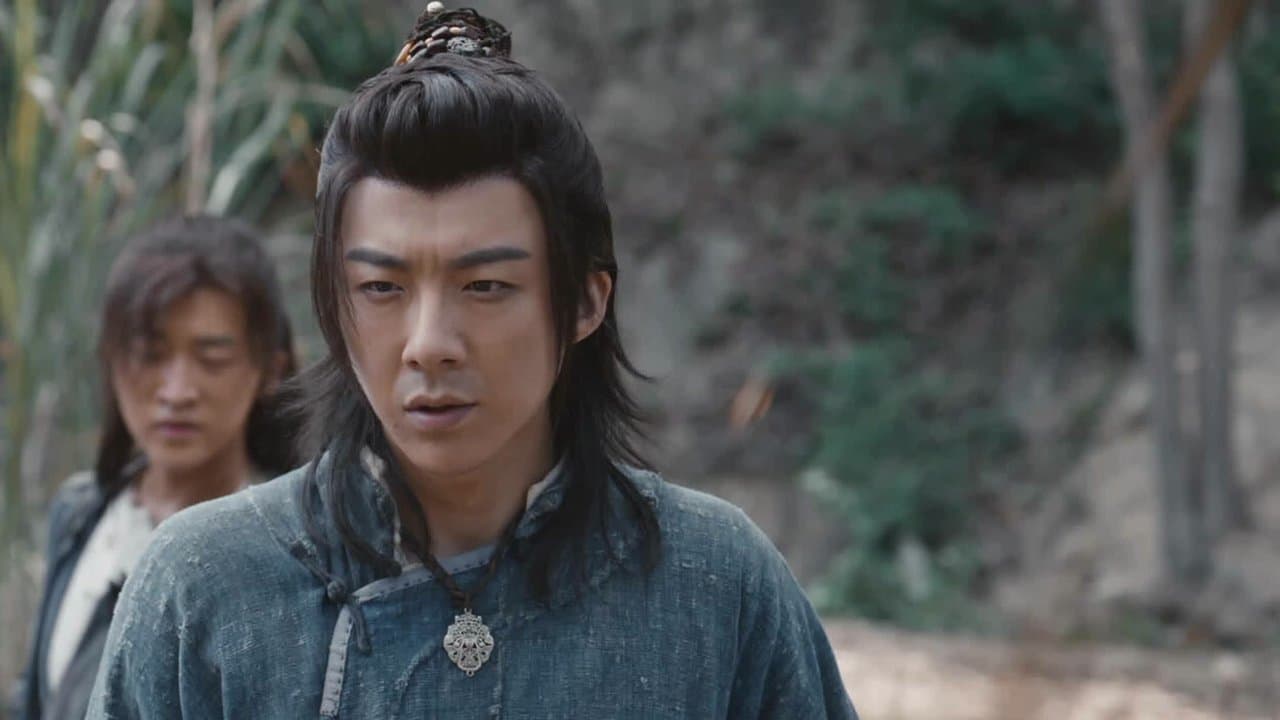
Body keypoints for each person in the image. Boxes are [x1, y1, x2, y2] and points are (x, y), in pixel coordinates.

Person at [87, 5, 857, 718]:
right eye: (382, 287)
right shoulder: (204, 588)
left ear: (584, 302)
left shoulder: (716, 587)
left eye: (485, 285)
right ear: (331, 304)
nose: (428, 343)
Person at [17, 215, 300, 720]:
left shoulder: (292, 553)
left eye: (211, 358)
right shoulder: (82, 515)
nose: (176, 391)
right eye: (149, 354)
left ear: (269, 370)